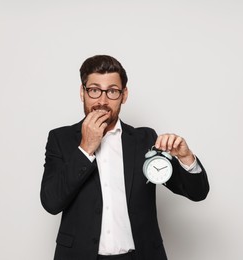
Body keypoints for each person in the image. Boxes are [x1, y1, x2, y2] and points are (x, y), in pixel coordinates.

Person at [40, 55, 210, 260]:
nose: (102, 101)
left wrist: (186, 158)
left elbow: (197, 192)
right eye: (94, 90)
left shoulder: (145, 139)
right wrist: (85, 149)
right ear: (82, 93)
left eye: (112, 91)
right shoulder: (61, 139)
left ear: (124, 95)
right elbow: (51, 202)